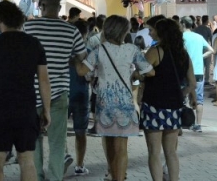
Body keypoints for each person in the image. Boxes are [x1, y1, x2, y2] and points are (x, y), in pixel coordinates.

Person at [0, 0, 51, 181]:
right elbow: (44, 80)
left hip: (0, 110)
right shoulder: (34, 44)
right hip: (27, 110)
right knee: (27, 161)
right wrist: (46, 110)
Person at [73, 15, 154, 181]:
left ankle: (112, 173)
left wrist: (75, 58)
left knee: (109, 143)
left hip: (104, 102)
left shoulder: (99, 50)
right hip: (124, 101)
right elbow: (150, 71)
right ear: (124, 31)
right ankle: (120, 178)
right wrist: (134, 74)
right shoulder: (132, 49)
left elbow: (81, 71)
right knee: (122, 147)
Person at [23, 0, 87, 181]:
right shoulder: (71, 30)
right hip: (59, 92)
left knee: (33, 141)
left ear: (41, 6)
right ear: (59, 8)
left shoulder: (28, 27)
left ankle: (37, 177)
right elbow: (81, 57)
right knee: (58, 142)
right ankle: (55, 177)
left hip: (31, 92)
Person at [139, 18, 195, 181]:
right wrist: (180, 94)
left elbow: (142, 71)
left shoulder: (155, 51)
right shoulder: (183, 54)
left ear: (161, 32)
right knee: (171, 152)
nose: (151, 32)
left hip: (154, 106)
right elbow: (192, 83)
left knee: (154, 151)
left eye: (153, 30)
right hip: (174, 107)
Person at [181, 16, 214, 133]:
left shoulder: (181, 37)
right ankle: (198, 124)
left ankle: (181, 122)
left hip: (184, 71)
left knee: (182, 97)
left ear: (183, 24)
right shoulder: (199, 37)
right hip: (198, 71)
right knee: (199, 99)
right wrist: (200, 56)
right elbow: (211, 50)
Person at [68, 19, 91, 175]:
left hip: (62, 94)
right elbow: (89, 76)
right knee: (81, 132)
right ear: (85, 33)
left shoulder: (62, 50)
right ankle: (80, 164)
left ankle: (61, 158)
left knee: (59, 131)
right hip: (81, 94)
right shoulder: (87, 52)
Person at [193, 15, 213, 85]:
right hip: (206, 48)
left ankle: (200, 79)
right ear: (207, 21)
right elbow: (211, 39)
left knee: (200, 64)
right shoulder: (208, 29)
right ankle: (207, 80)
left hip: (198, 48)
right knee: (207, 65)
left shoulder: (197, 29)